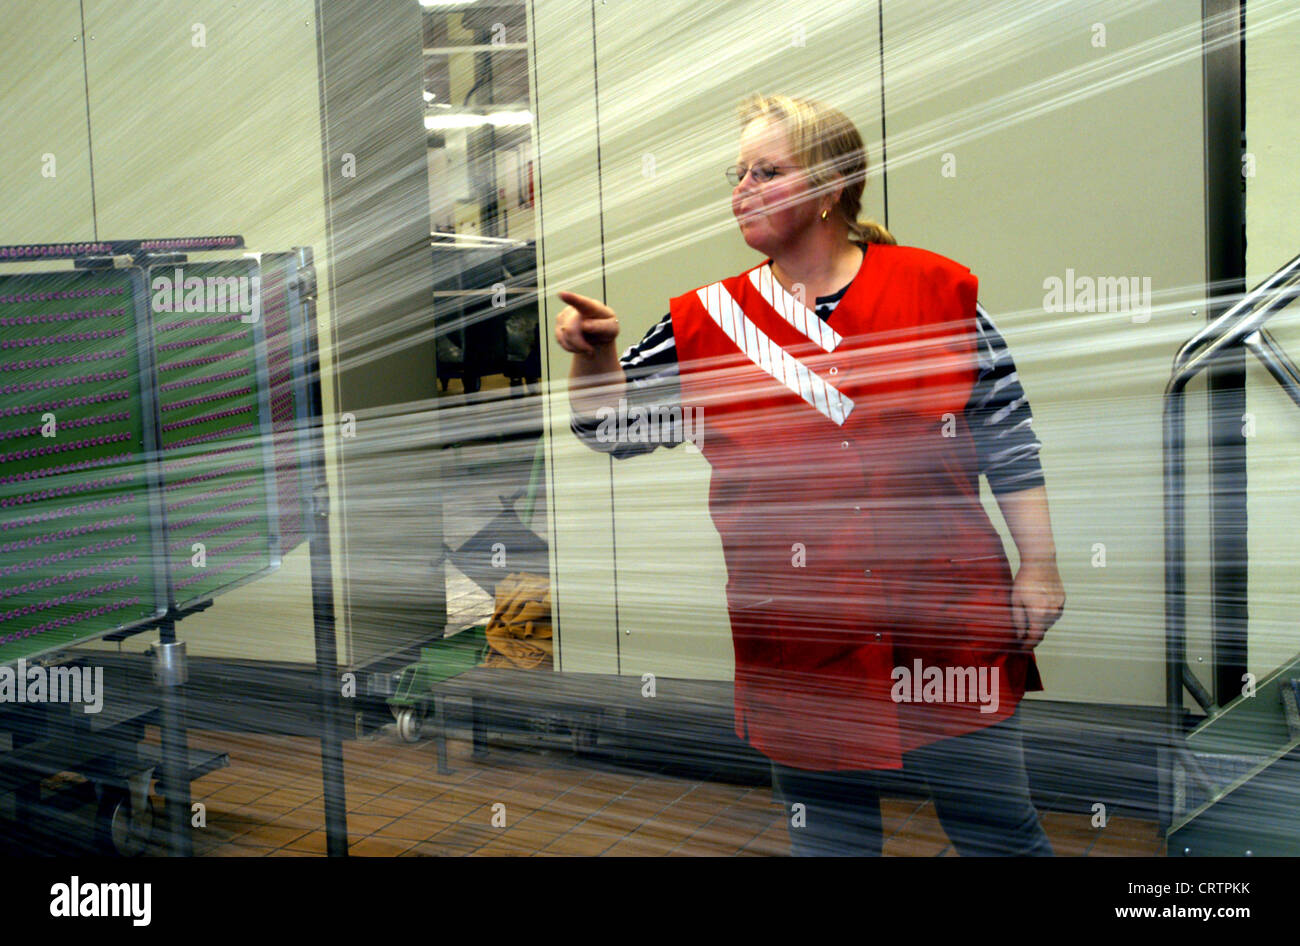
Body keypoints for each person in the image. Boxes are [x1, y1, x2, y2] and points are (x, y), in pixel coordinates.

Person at [555, 93, 1066, 856]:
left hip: (946, 619)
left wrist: (1042, 566)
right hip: (802, 633)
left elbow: (1007, 436)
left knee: (999, 834)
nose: (744, 188)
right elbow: (609, 429)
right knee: (832, 840)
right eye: (739, 173)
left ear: (831, 188)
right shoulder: (706, 323)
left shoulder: (936, 292)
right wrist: (595, 357)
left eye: (769, 171)